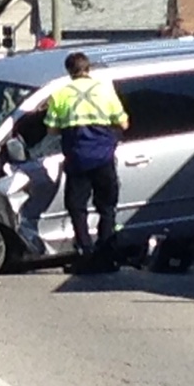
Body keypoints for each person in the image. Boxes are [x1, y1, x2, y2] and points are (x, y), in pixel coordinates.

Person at [44, 51, 129, 273]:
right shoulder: (105, 89)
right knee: (107, 207)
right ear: (88, 68)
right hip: (103, 158)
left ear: (69, 71)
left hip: (77, 159)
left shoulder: (60, 94)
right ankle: (107, 253)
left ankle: (85, 251)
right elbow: (124, 123)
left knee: (76, 207)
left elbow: (51, 130)